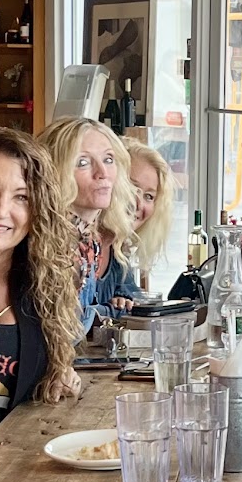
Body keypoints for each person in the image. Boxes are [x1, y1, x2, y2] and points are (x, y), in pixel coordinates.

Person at [0, 129, 83, 448]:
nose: (1, 210)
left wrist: (59, 377)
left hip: (6, 467)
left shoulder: (41, 291)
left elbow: (36, 391)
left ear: (38, 210)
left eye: (21, 197)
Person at [39, 116, 140, 335]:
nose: (102, 173)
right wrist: (105, 312)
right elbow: (64, 328)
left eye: (109, 159)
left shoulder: (89, 240)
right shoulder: (45, 242)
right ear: (55, 172)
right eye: (83, 163)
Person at [123, 139, 177, 293]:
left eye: (149, 196)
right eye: (132, 189)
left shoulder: (119, 254)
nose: (138, 204)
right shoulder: (84, 250)